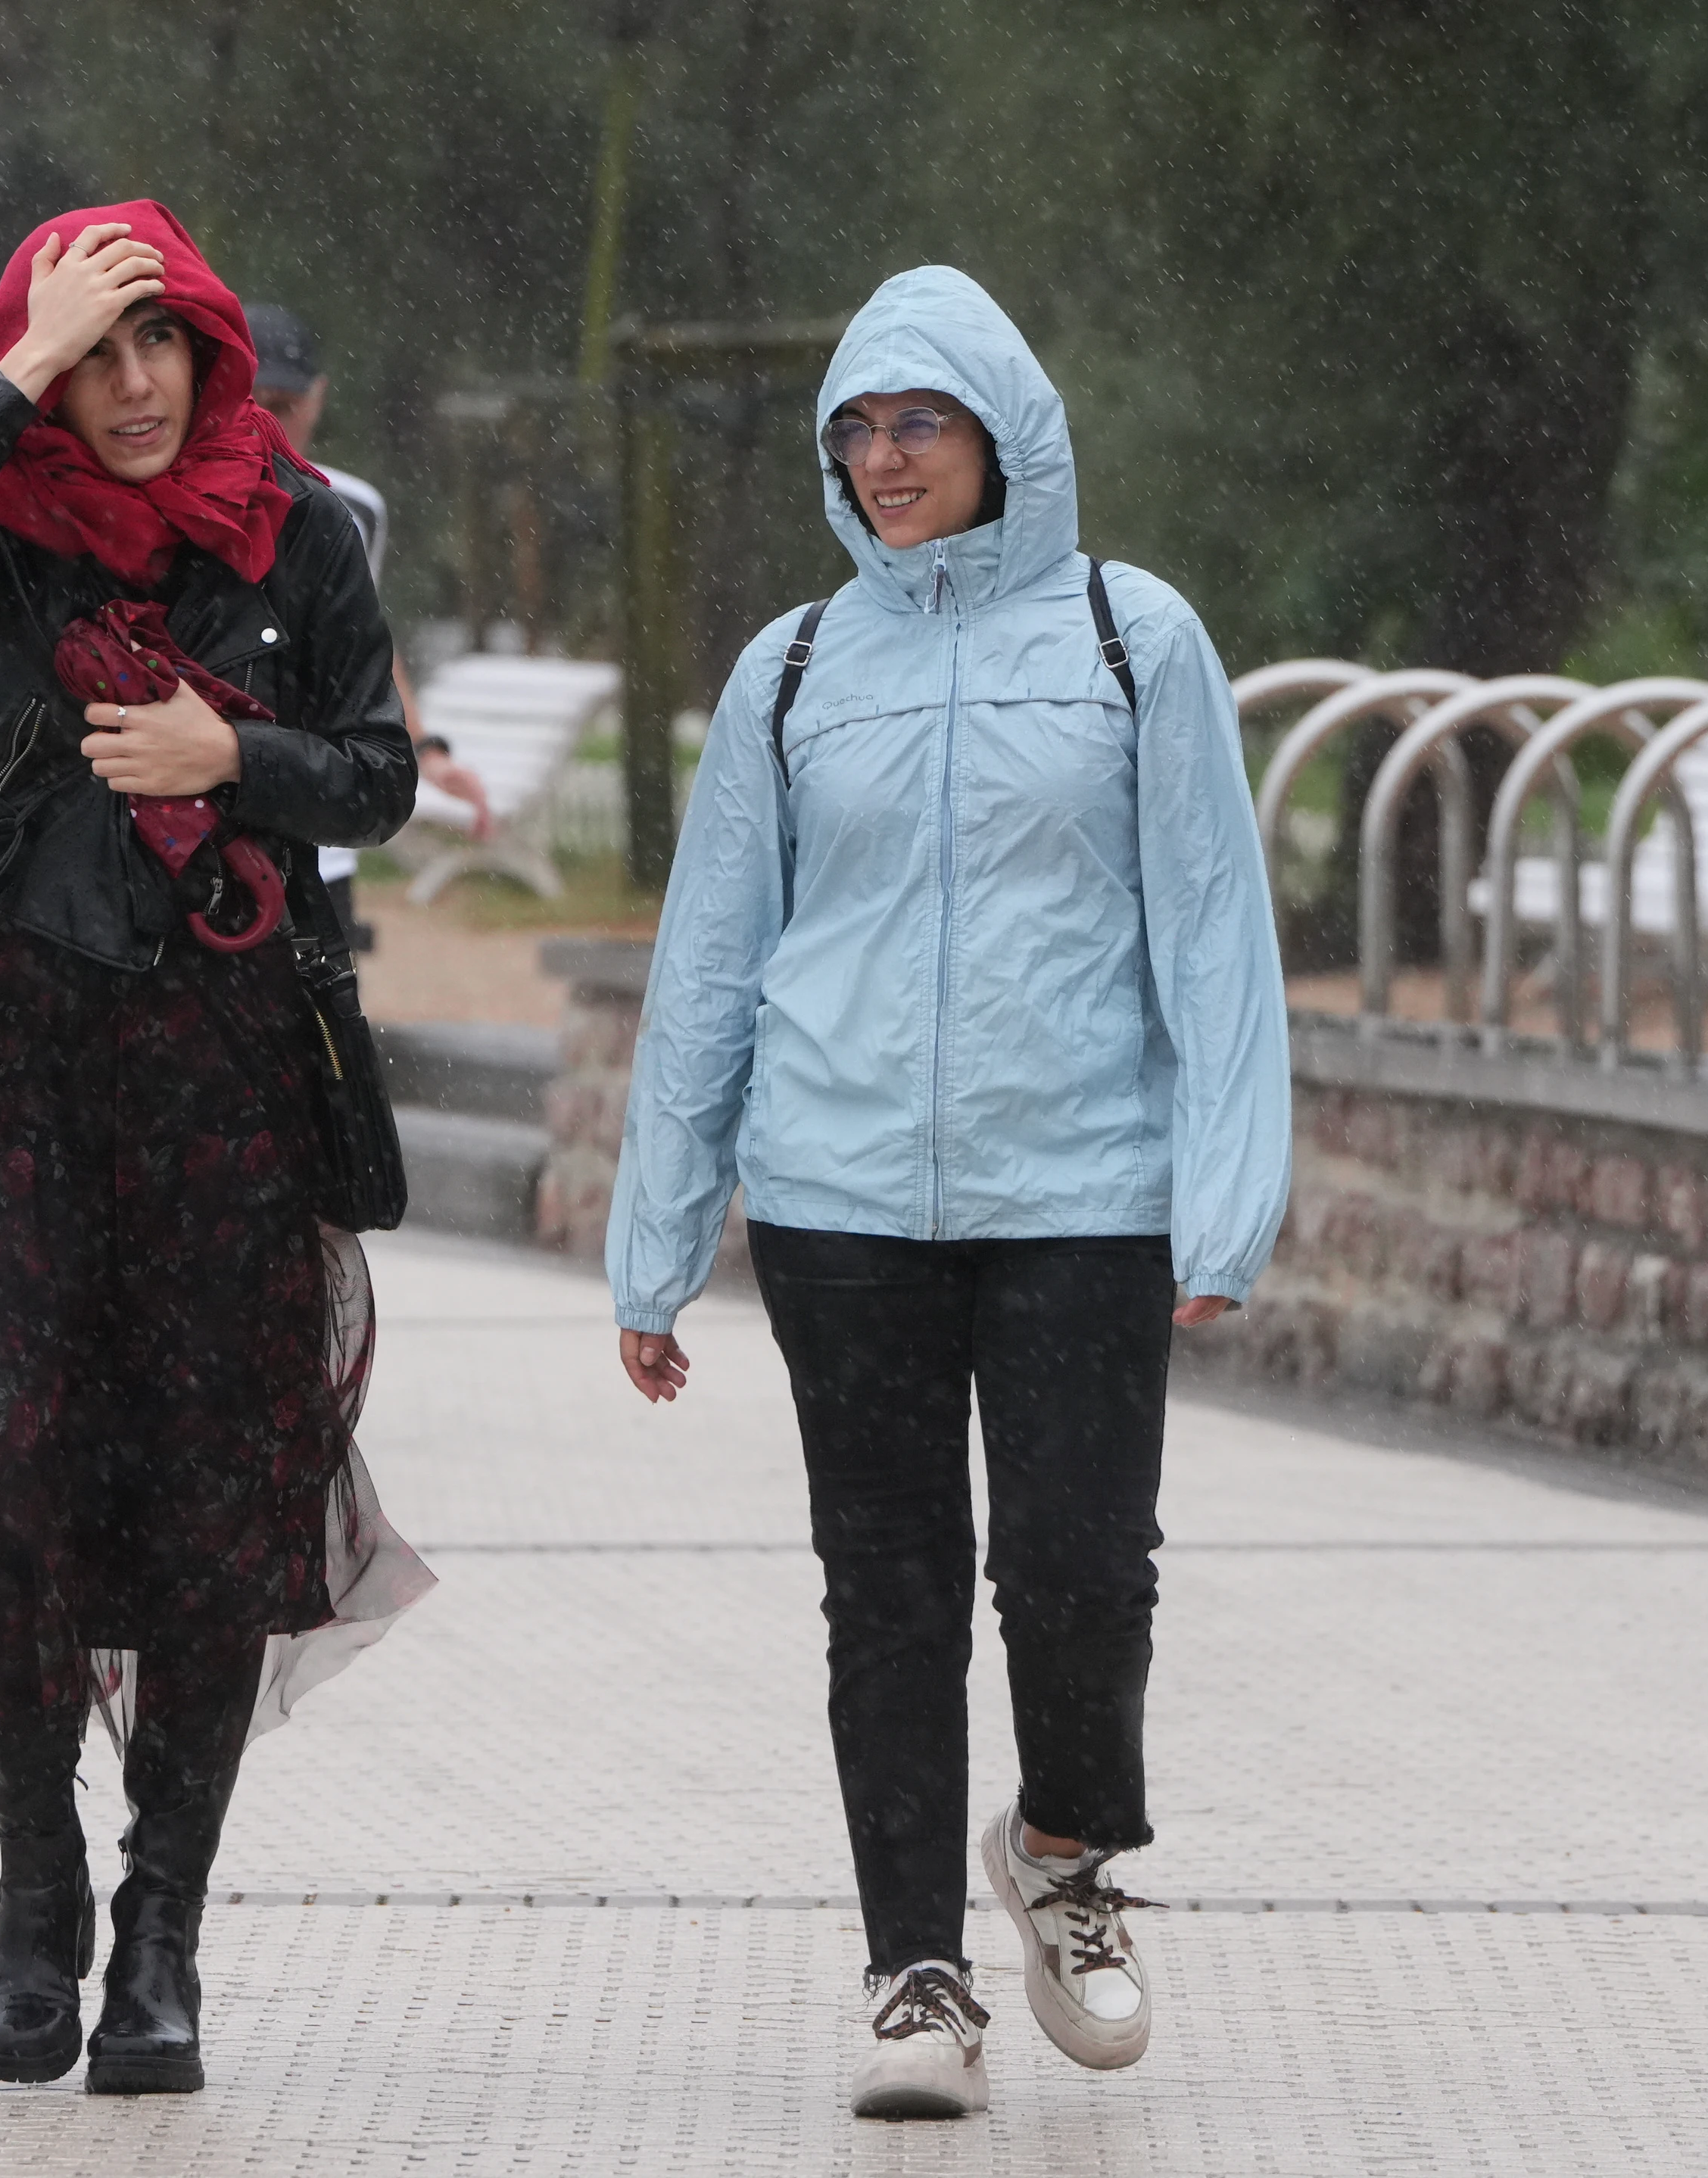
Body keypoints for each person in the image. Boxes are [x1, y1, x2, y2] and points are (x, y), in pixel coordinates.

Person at [604, 266, 1290, 2122]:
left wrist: (1223, 1204)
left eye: (918, 422)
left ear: (1003, 436)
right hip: (836, 1197)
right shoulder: (793, 666)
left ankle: (1061, 1851)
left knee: (1078, 1570)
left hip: (1080, 1185)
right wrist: (654, 1239)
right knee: (885, 1591)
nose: (883, 457)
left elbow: (1213, 930)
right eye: (855, 428)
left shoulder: (1129, 636)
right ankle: (915, 1973)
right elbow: (709, 957)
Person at [0, 201, 434, 2099]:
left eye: (155, 342)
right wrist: (14, 366)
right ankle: (37, 1901)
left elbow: (376, 773)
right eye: (92, 349)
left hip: (222, 1067)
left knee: (204, 1499)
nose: (128, 385)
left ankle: (160, 1927)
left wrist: (225, 761)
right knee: (0, 1473)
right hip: (11, 1052)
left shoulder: (304, 533)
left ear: (211, 353)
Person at [239, 302, 488, 943]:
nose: (268, 423)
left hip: (321, 828)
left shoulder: (353, 510)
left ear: (318, 397)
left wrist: (424, 749)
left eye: (283, 404)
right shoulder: (174, 497)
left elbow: (362, 645)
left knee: (321, 1029)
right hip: (210, 819)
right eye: (248, 401)